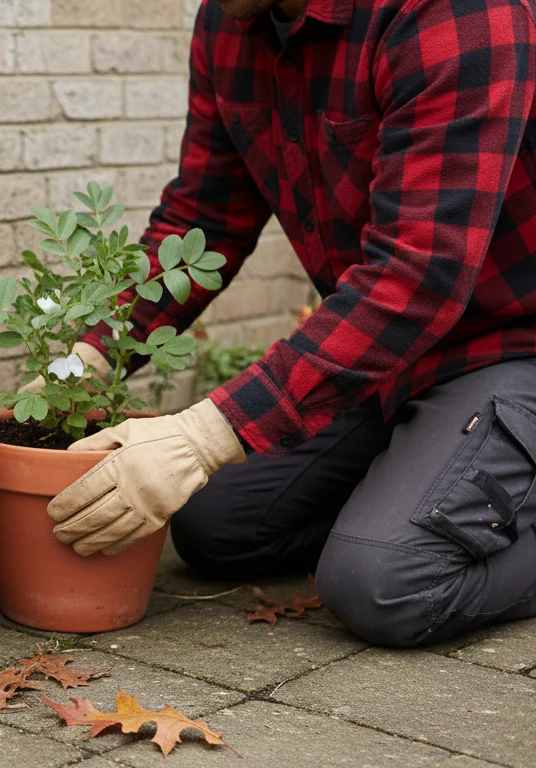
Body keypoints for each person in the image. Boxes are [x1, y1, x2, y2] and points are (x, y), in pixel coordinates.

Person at [47, 0, 536, 648]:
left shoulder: (455, 12)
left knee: (384, 581)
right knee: (215, 525)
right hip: (388, 357)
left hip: (509, 345)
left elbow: (418, 275)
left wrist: (201, 436)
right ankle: (430, 487)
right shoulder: (231, 20)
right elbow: (206, 217)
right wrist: (84, 361)